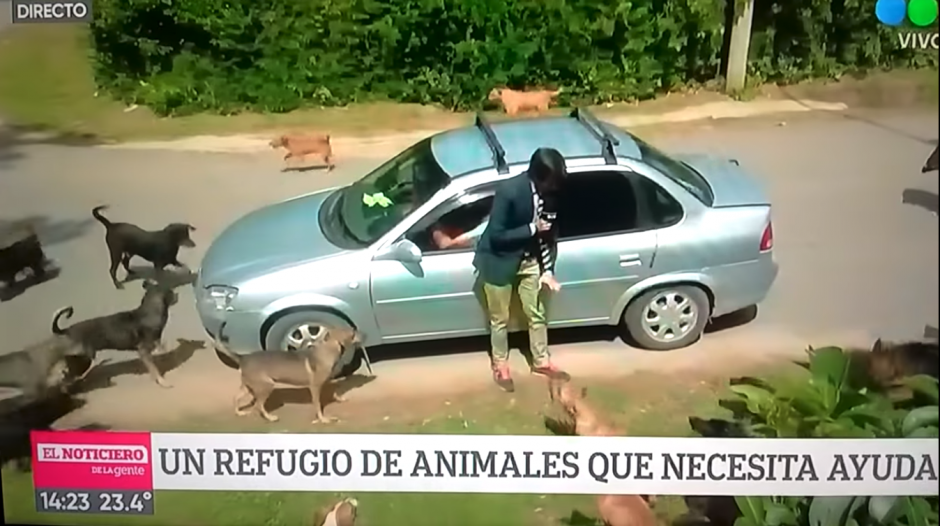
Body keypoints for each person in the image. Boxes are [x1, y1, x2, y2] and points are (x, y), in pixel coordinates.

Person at [472, 147, 567, 392]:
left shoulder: (552, 194)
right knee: (499, 319)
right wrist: (532, 229)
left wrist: (548, 270)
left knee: (536, 313)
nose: (554, 186)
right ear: (538, 176)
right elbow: (496, 236)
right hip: (499, 260)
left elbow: (550, 235)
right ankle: (501, 364)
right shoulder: (510, 191)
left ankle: (541, 361)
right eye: (551, 181)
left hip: (529, 261)